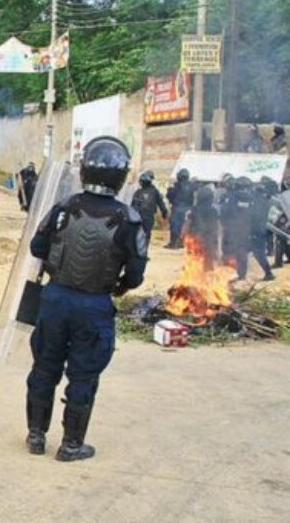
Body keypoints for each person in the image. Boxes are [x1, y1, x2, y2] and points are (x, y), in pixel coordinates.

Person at [25, 136, 146, 462]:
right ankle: (71, 445)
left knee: (44, 367)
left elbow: (36, 248)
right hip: (94, 305)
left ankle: (36, 437)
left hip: (55, 298)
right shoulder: (129, 219)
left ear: (84, 170)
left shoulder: (63, 209)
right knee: (84, 374)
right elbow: (135, 276)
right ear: (121, 175)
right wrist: (117, 285)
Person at [220, 177, 265, 281]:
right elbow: (256, 215)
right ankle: (242, 274)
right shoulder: (252, 198)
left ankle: (229, 272)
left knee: (228, 251)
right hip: (246, 229)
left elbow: (224, 212)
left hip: (232, 228)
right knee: (243, 252)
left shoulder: (231, 196)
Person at [184, 185, 221, 269]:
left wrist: (183, 236)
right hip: (209, 240)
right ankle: (207, 279)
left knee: (194, 260)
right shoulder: (214, 211)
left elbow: (187, 224)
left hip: (195, 238)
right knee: (208, 262)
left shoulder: (193, 210)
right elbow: (218, 226)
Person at [130, 170, 168, 246]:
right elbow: (133, 204)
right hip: (141, 216)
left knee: (144, 233)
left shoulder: (153, 191)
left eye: (142, 181)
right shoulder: (140, 192)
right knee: (142, 233)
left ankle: (143, 247)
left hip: (145, 216)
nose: (141, 183)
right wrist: (164, 211)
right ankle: (141, 247)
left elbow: (160, 202)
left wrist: (164, 211)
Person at [250, 179, 276, 281]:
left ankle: (269, 273)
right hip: (262, 229)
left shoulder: (257, 202)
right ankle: (268, 272)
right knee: (257, 252)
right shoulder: (266, 201)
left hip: (256, 230)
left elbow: (253, 216)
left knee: (258, 253)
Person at [165, 168, 197, 249]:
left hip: (177, 208)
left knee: (174, 225)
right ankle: (181, 243)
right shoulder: (192, 186)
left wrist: (169, 190)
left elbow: (169, 196)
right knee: (185, 226)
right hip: (188, 209)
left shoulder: (176, 185)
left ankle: (173, 243)